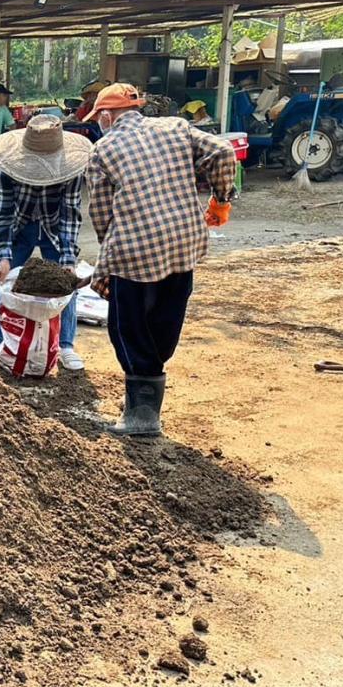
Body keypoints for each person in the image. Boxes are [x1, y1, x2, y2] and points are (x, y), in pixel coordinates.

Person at [85, 82, 237, 437]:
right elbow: (223, 152)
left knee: (128, 328)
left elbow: (101, 212)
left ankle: (142, 414)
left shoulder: (103, 150)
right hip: (185, 243)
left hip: (135, 251)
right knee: (167, 317)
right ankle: (147, 394)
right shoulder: (177, 127)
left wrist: (111, 253)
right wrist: (221, 201)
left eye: (98, 118)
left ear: (107, 116)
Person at [0, 114, 91, 370]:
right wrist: (4, 256)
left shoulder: (71, 172)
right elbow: (5, 212)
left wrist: (68, 259)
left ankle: (65, 345)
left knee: (67, 284)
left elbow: (69, 213)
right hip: (21, 225)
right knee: (5, 280)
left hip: (55, 225)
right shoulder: (8, 171)